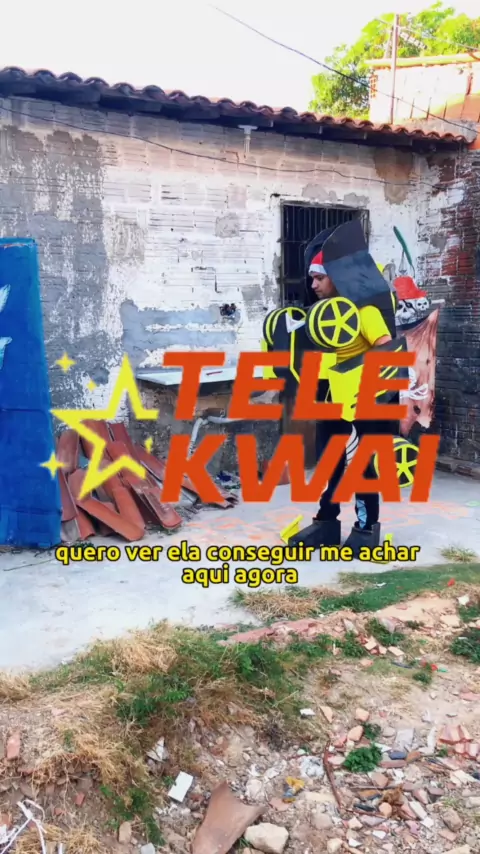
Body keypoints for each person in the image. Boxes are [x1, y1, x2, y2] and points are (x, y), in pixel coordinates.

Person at [289, 220, 400, 556]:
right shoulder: (321, 313)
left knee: (361, 463)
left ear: (336, 277)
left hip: (362, 401)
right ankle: (326, 523)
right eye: (312, 278)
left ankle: (366, 528)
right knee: (330, 461)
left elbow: (387, 351)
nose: (313, 285)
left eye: (319, 278)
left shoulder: (364, 312)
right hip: (330, 399)